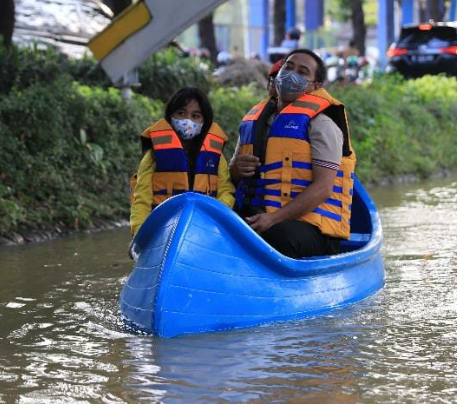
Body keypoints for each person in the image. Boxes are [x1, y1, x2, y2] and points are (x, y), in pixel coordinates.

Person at [229, 49, 357, 258]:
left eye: (302, 72)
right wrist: (236, 170)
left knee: (272, 236)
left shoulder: (323, 124)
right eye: (288, 67)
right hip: (261, 216)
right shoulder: (254, 122)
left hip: (311, 228)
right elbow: (232, 173)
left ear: (315, 86)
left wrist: (274, 218)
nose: (291, 74)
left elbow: (324, 188)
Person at [130, 88, 235, 238]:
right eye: (181, 113)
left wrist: (214, 219)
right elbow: (141, 198)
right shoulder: (153, 154)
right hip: (163, 229)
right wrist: (139, 235)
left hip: (204, 228)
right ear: (170, 116)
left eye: (195, 116)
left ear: (204, 121)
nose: (187, 121)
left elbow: (226, 190)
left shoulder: (216, 156)